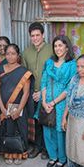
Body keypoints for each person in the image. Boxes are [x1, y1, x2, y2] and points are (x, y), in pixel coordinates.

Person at [40, 35, 77, 167]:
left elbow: (70, 87)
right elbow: (43, 81)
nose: (57, 49)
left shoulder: (72, 65)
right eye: (55, 46)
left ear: (67, 47)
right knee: (47, 128)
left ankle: (62, 158)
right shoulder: (49, 63)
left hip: (61, 103)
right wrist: (44, 102)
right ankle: (53, 156)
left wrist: (54, 102)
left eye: (60, 45)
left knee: (60, 130)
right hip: (46, 101)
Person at [0, 44, 35, 165]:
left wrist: (18, 111)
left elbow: (26, 93)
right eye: (8, 53)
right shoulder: (0, 70)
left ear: (18, 55)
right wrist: (2, 108)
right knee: (7, 129)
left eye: (13, 53)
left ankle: (20, 153)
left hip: (19, 108)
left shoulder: (24, 72)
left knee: (20, 129)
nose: (10, 56)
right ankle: (8, 153)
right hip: (4, 107)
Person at [21, 22, 52, 160]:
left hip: (48, 92)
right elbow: (25, 74)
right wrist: (32, 92)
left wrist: (42, 92)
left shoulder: (52, 50)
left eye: (37, 35)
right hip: (32, 93)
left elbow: (53, 73)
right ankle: (37, 147)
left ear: (43, 35)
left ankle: (47, 148)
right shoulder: (26, 52)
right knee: (36, 121)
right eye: (32, 36)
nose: (35, 38)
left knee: (47, 120)